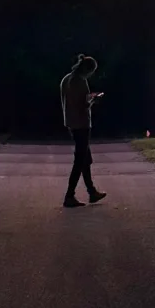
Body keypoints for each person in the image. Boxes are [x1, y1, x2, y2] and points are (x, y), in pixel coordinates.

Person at [60, 53, 107, 208]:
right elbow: (84, 105)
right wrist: (95, 99)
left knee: (85, 159)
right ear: (88, 70)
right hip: (82, 124)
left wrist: (89, 97)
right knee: (80, 160)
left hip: (71, 123)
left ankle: (91, 191)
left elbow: (71, 101)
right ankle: (69, 195)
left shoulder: (66, 79)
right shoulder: (81, 81)